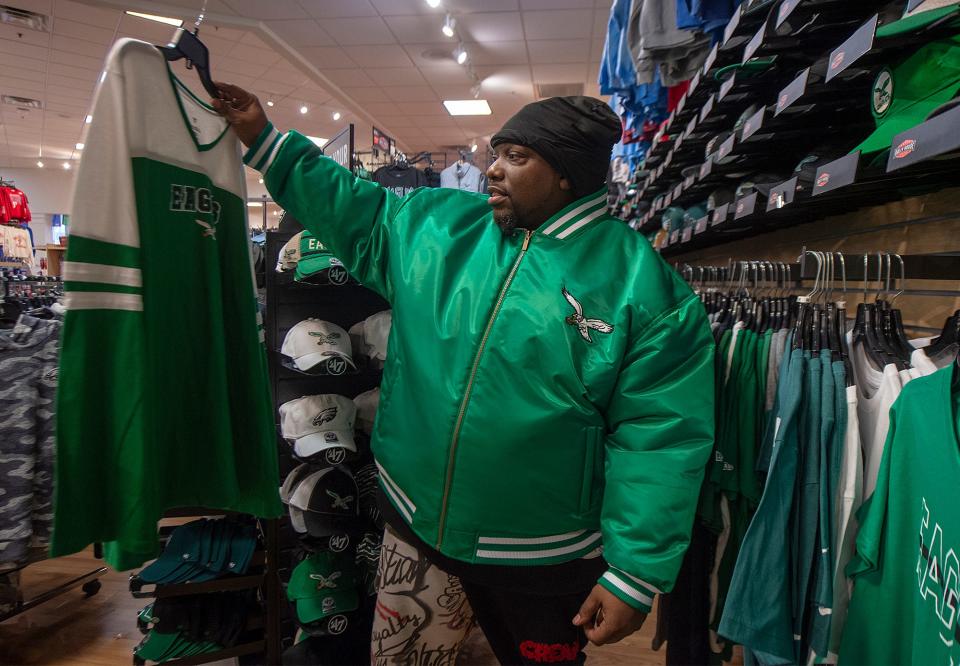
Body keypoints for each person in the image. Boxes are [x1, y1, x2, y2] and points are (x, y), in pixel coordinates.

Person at [214, 84, 715, 665]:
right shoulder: (439, 228)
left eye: (516, 157)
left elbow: (660, 438)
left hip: (540, 553)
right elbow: (348, 204)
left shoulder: (643, 288)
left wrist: (634, 572)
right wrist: (263, 137)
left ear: (566, 176)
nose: (492, 170)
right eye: (496, 153)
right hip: (413, 522)